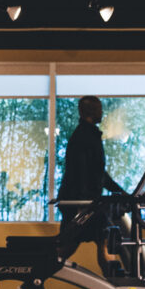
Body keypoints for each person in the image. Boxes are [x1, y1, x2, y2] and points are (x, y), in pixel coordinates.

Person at [56, 96, 128, 273]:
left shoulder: (89, 134)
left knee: (74, 244)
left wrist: (121, 193)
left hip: (86, 202)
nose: (102, 113)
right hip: (82, 204)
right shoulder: (84, 136)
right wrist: (82, 206)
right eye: (99, 109)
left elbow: (98, 173)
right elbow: (80, 172)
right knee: (100, 239)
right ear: (89, 112)